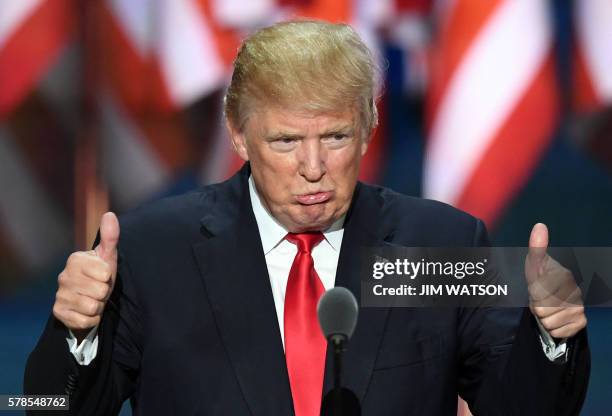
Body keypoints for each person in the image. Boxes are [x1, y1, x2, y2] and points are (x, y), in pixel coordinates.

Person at [25, 20, 589, 415]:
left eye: (336, 137)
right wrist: (77, 335)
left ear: (369, 125)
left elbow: (528, 406)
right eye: (286, 140)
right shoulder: (151, 252)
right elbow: (39, 406)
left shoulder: (442, 245)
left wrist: (550, 336)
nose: (313, 168)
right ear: (239, 136)